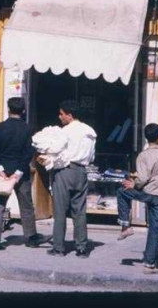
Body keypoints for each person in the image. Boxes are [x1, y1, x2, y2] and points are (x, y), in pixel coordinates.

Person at [115, 123, 158, 275]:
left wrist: (133, 183)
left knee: (122, 191)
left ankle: (125, 226)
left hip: (149, 195)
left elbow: (142, 179)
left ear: (146, 137)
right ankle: (149, 264)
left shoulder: (143, 155)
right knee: (155, 230)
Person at [38, 100, 97, 258]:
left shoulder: (66, 131)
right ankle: (81, 247)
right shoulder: (90, 131)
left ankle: (58, 247)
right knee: (80, 210)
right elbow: (92, 156)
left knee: (60, 210)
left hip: (65, 170)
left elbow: (56, 148)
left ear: (69, 115)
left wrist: (44, 149)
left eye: (62, 114)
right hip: (82, 171)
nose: (59, 116)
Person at [0, 96, 43, 251]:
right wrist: (18, 172)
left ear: (8, 109)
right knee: (26, 205)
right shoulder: (29, 129)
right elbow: (28, 153)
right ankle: (31, 237)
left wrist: (1, 170)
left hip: (3, 173)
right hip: (21, 172)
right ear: (23, 111)